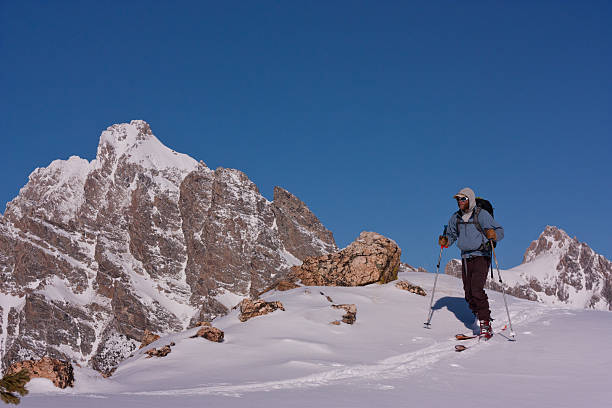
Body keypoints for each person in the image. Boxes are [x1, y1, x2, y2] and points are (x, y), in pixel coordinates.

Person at [438, 187, 504, 339]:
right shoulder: (456, 217)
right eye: (458, 199)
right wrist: (446, 241)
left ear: (470, 199)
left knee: (476, 289)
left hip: (481, 254)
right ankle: (478, 316)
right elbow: (452, 234)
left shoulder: (481, 215)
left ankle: (485, 323)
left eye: (462, 199)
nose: (459, 202)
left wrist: (493, 235)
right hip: (466, 257)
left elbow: (499, 231)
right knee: (468, 293)